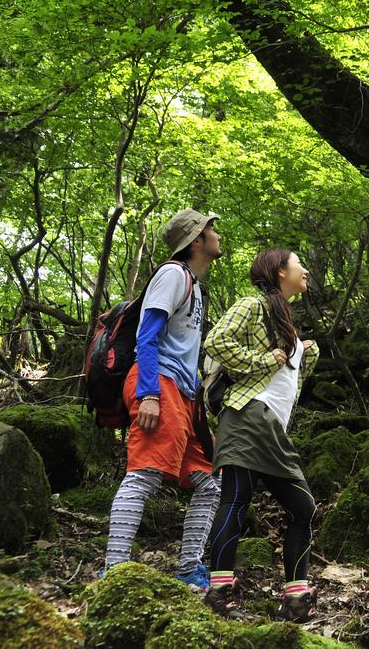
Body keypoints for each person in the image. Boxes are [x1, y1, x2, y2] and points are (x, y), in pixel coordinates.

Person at [103, 208, 223, 591]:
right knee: (144, 474)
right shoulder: (172, 274)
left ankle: (189, 568)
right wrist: (150, 393)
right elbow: (147, 335)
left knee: (209, 484)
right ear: (196, 240)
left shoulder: (194, 284)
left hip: (184, 395)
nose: (217, 234)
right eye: (210, 229)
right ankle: (115, 572)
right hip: (159, 384)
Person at [202, 248, 320, 623]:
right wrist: (264, 360)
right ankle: (219, 592)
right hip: (247, 414)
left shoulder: (290, 327)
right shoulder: (252, 305)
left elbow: (288, 383)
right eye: (298, 262)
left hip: (270, 427)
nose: (305, 269)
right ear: (281, 271)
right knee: (236, 498)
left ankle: (295, 599)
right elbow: (216, 342)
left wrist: (303, 354)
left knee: (303, 508)